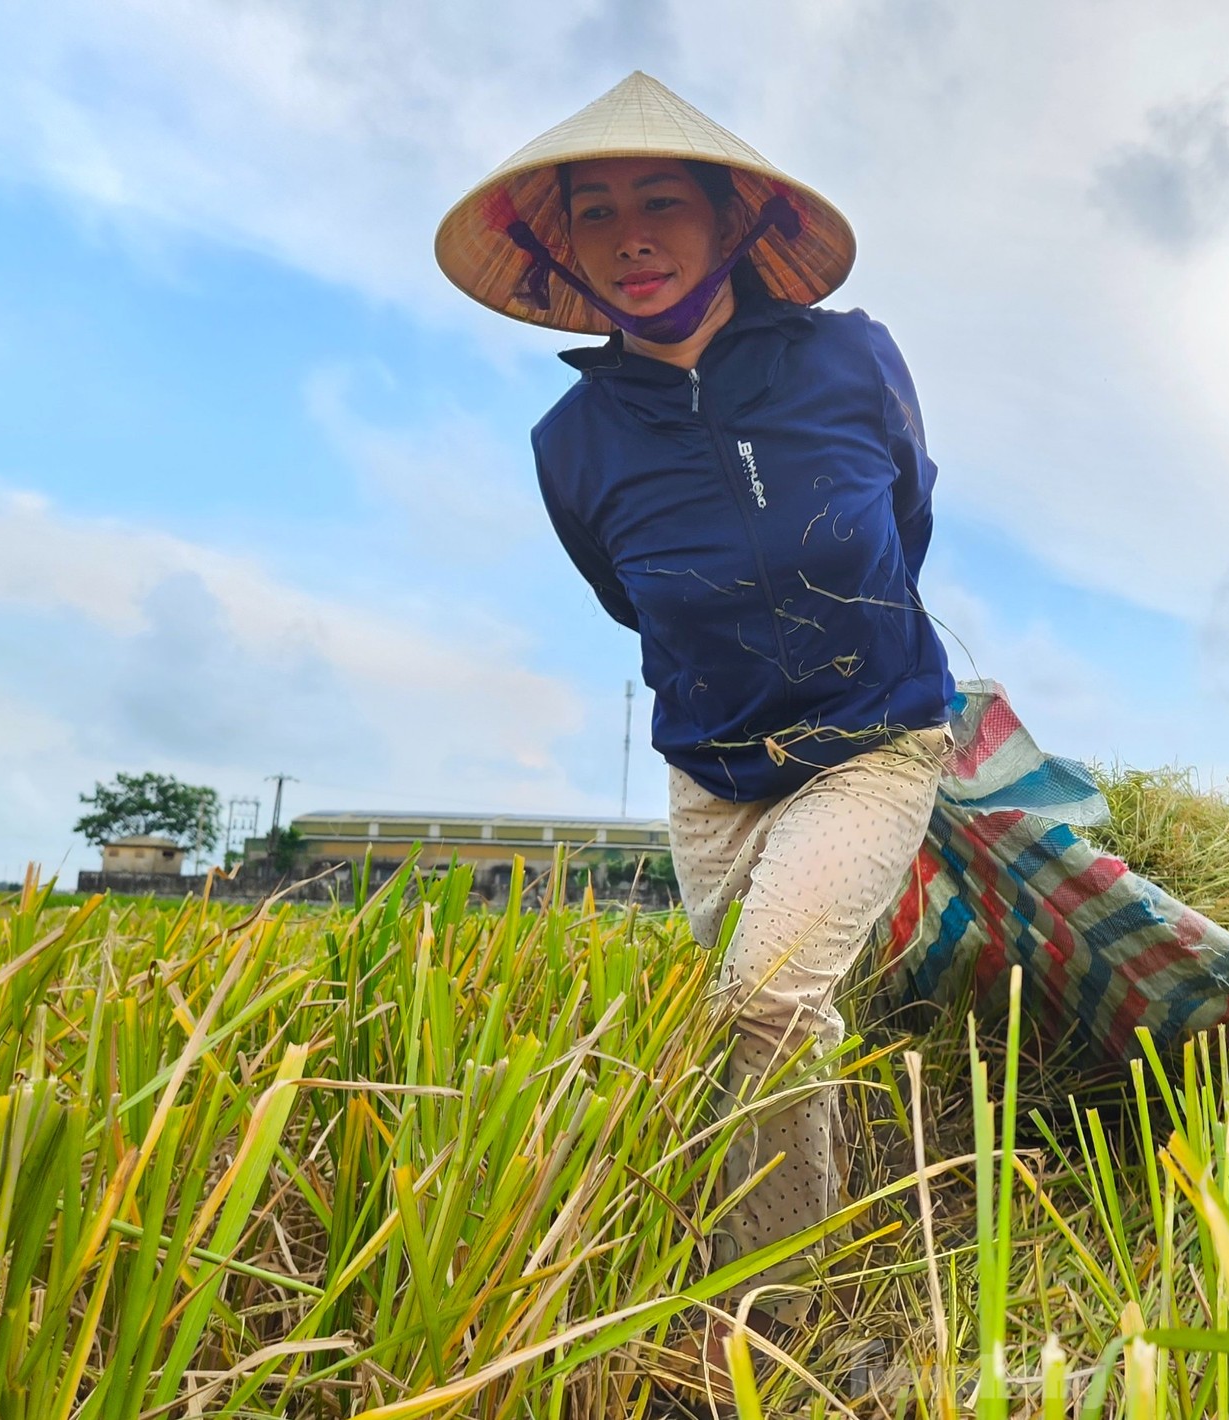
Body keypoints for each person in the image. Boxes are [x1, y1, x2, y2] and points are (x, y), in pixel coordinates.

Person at [436, 72, 956, 1370]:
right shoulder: (571, 441)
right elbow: (630, 601)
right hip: (712, 777)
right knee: (757, 1023)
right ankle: (786, 1241)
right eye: (598, 211)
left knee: (769, 1001)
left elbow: (909, 518)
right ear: (561, 245)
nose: (634, 234)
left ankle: (779, 1318)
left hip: (871, 736)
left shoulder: (850, 357)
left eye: (662, 199)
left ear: (730, 220)